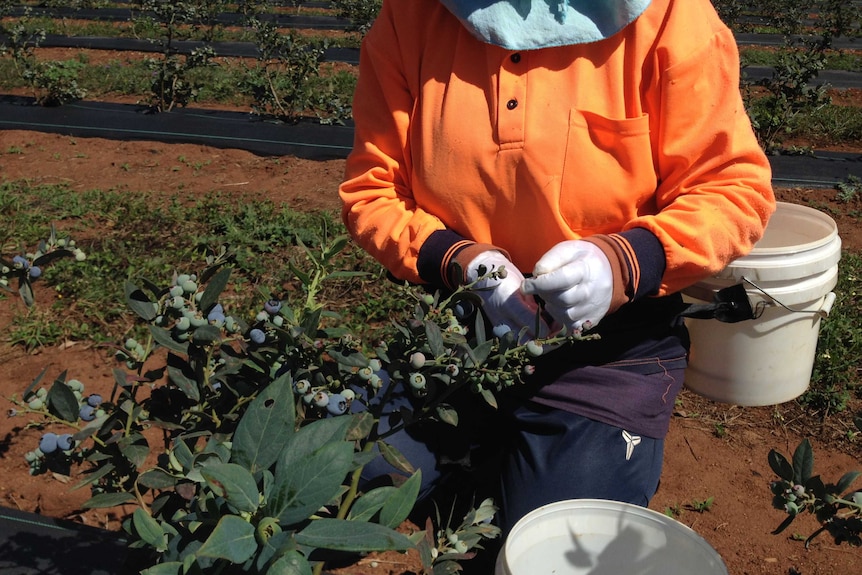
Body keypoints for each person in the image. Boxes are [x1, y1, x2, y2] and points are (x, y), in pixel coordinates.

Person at [339, 0, 775, 538]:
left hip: (607, 355)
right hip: (461, 337)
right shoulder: (414, 16)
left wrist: (622, 264)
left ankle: (524, 460)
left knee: (561, 542)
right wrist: (461, 262)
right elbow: (373, 190)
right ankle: (490, 454)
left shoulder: (669, 16)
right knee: (348, 478)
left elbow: (731, 188)